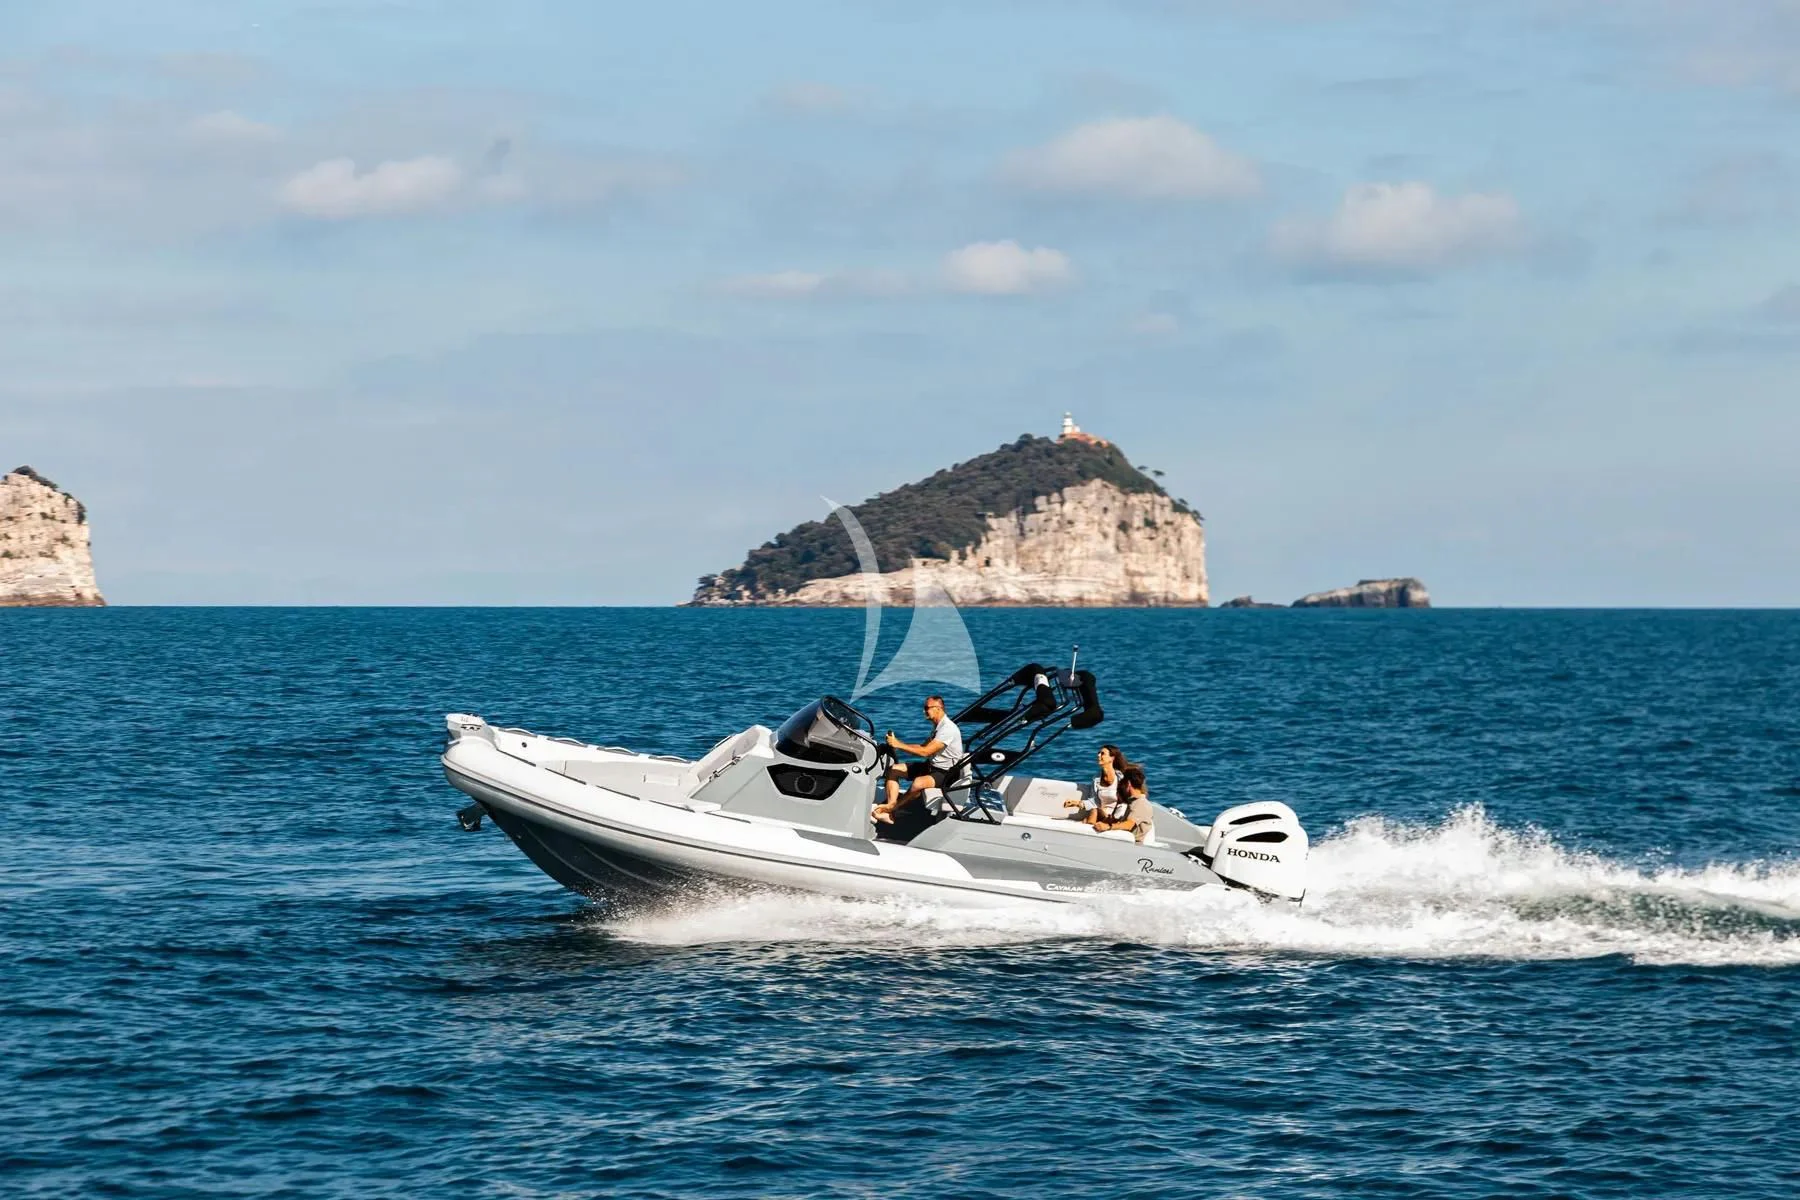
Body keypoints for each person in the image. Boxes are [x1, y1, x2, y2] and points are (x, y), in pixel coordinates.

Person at [871, 695, 964, 826]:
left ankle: (893, 809)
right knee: (894, 770)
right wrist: (898, 744)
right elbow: (922, 747)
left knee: (918, 783)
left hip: (946, 773)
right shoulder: (938, 727)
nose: (924, 711)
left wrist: (898, 745)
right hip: (931, 767)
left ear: (938, 708)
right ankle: (890, 805)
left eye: (927, 708)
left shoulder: (947, 729)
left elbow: (926, 752)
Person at [1064, 744, 1129, 824]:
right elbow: (1095, 802)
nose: (1098, 755)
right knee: (1093, 812)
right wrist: (1076, 803)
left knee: (1094, 812)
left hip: (1116, 817)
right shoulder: (1096, 779)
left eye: (1102, 753)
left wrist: (1115, 818)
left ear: (1112, 758)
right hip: (1101, 815)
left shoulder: (1120, 778)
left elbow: (1124, 803)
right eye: (1099, 753)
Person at [1092, 765, 1155, 844]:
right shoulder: (1133, 802)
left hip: (1132, 845)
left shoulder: (1140, 803)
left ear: (1128, 784)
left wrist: (1109, 827)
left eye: (1122, 783)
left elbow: (1128, 825)